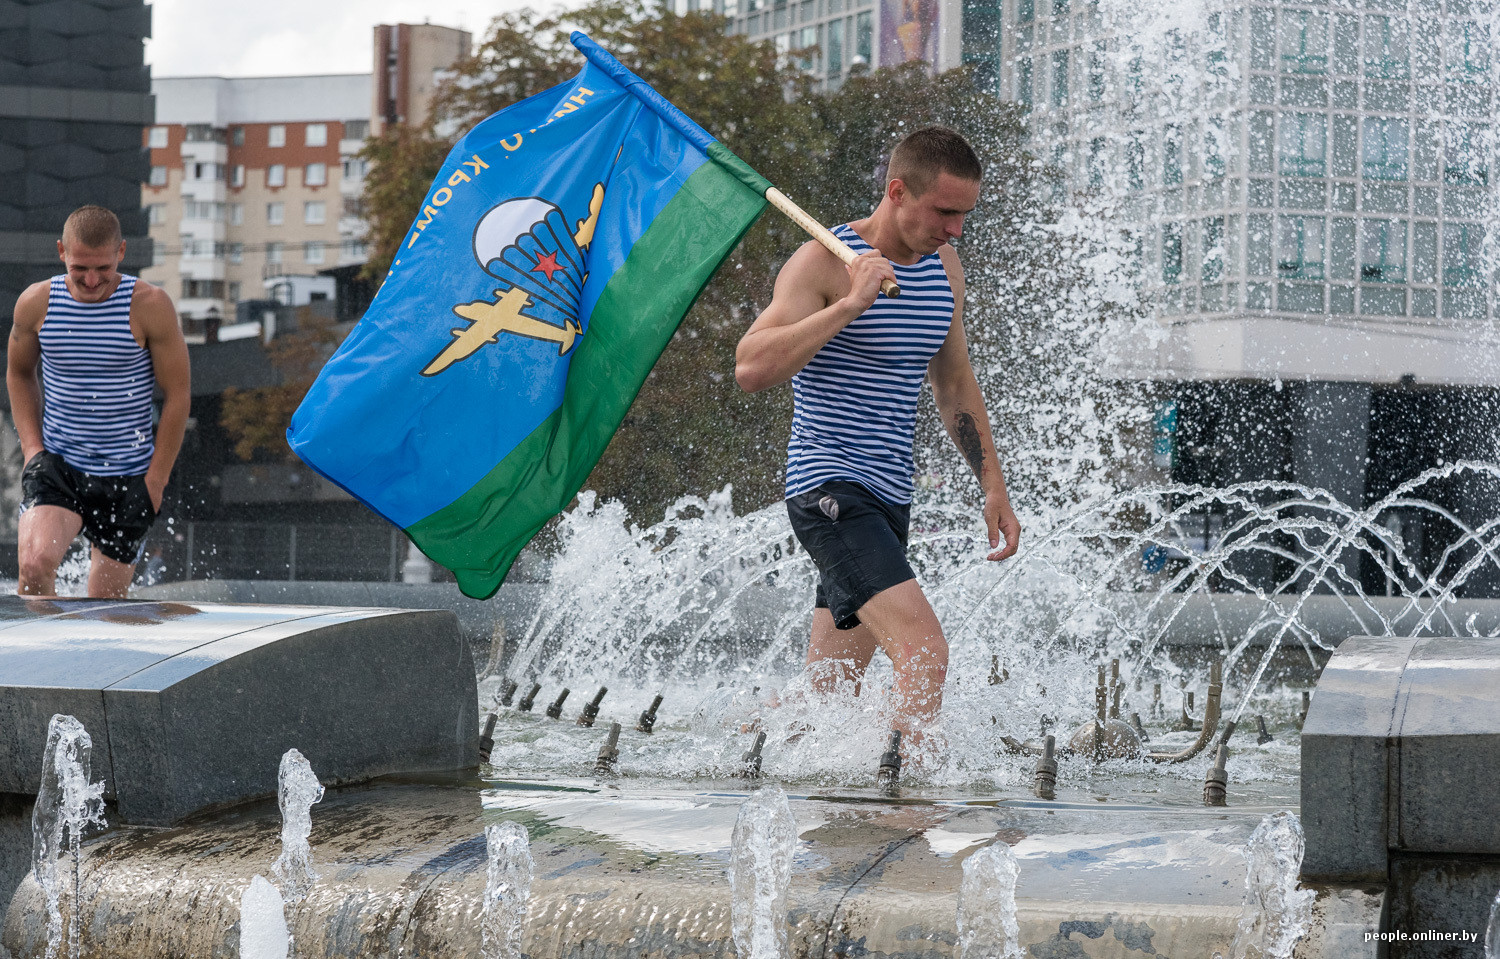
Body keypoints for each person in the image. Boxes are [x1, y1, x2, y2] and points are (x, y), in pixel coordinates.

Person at [734, 126, 1020, 755]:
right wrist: (848, 305)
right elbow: (750, 367)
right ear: (897, 192)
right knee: (926, 654)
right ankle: (907, 808)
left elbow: (953, 384)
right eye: (944, 213)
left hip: (890, 499)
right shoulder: (824, 260)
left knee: (829, 694)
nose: (956, 231)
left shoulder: (944, 268)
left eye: (964, 215)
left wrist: (992, 485)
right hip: (831, 490)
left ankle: (733, 756)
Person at [7, 205, 190, 598]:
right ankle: (43, 660)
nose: (91, 281)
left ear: (121, 252)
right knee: (35, 568)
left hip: (129, 475)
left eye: (103, 269)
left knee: (104, 610)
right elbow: (19, 375)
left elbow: (178, 394)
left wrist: (155, 481)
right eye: (80, 269)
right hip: (59, 466)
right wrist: (32, 450)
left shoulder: (149, 305)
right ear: (62, 253)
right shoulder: (36, 303)